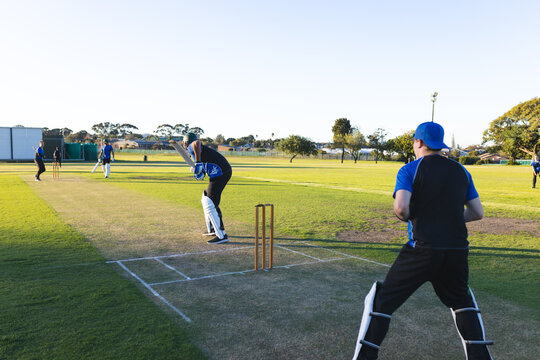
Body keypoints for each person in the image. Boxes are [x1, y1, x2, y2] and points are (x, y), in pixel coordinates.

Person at [352, 122, 493, 360]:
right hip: (457, 250)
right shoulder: (461, 171)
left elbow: (401, 208)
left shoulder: (410, 169)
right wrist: (449, 219)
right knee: (461, 301)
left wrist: (409, 216)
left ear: (418, 142)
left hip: (422, 249)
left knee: (381, 300)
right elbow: (477, 212)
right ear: (440, 144)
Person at [184, 133, 232, 244]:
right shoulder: (196, 152)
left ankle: (221, 235)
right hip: (221, 172)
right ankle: (212, 229)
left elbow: (197, 142)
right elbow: (207, 164)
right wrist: (200, 174)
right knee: (205, 197)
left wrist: (198, 163)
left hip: (221, 173)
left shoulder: (192, 146)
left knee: (210, 202)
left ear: (186, 143)